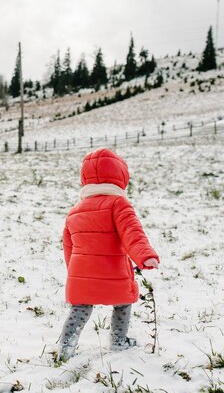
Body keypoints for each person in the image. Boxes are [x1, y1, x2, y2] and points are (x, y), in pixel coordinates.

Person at [57, 148, 160, 362]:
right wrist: (145, 256)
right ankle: (118, 340)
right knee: (123, 304)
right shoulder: (118, 203)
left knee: (80, 309)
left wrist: (75, 273)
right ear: (121, 177)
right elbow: (132, 232)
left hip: (82, 274)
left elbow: (68, 246)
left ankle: (66, 347)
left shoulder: (75, 210)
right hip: (114, 273)